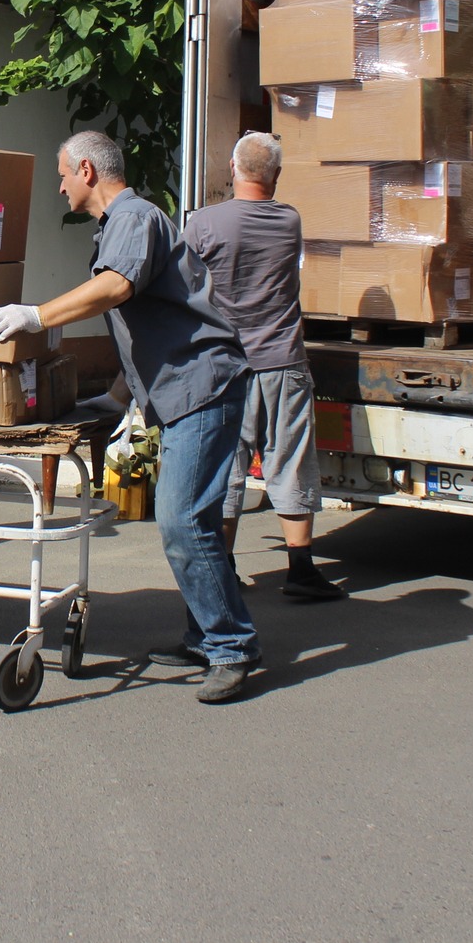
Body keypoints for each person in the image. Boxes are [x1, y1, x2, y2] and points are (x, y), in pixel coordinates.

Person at [0, 130, 259, 704]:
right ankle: (209, 635)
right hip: (185, 390)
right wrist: (116, 396)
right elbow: (146, 323)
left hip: (202, 389)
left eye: (62, 174)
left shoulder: (133, 216)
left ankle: (231, 647)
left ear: (86, 170)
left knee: (181, 521)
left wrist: (36, 315)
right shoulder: (124, 223)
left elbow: (115, 289)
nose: (58, 186)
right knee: (195, 523)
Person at [183, 132, 342, 602]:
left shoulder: (204, 224)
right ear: (276, 175)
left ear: (233, 168)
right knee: (289, 459)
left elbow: (183, 285)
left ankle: (224, 568)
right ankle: (301, 568)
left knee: (225, 466)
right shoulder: (289, 221)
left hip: (224, 365)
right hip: (283, 361)